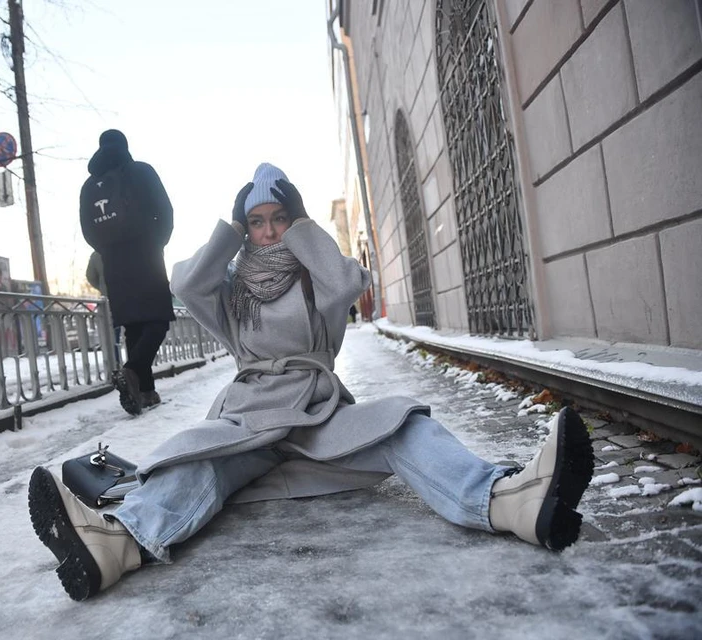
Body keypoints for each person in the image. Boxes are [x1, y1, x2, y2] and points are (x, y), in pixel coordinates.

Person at [32, 162, 595, 601]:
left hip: (319, 418)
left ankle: (507, 501)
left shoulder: (316, 280)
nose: (268, 231)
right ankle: (116, 545)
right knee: (195, 462)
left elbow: (348, 282)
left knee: (403, 422)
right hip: (247, 424)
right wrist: (230, 230)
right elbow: (188, 284)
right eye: (257, 222)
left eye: (278, 218)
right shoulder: (229, 291)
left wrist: (303, 229)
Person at [79, 130, 175, 414]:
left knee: (133, 326)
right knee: (158, 319)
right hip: (146, 253)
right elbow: (165, 211)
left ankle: (145, 392)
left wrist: (108, 250)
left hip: (114, 262)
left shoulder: (89, 186)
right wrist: (157, 241)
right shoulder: (141, 171)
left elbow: (87, 229)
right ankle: (132, 370)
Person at [86, 251, 122, 365]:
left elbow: (90, 276)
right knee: (136, 329)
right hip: (131, 296)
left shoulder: (97, 253)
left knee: (113, 332)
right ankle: (138, 362)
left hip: (109, 298)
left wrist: (102, 287)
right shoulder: (126, 246)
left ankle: (116, 362)